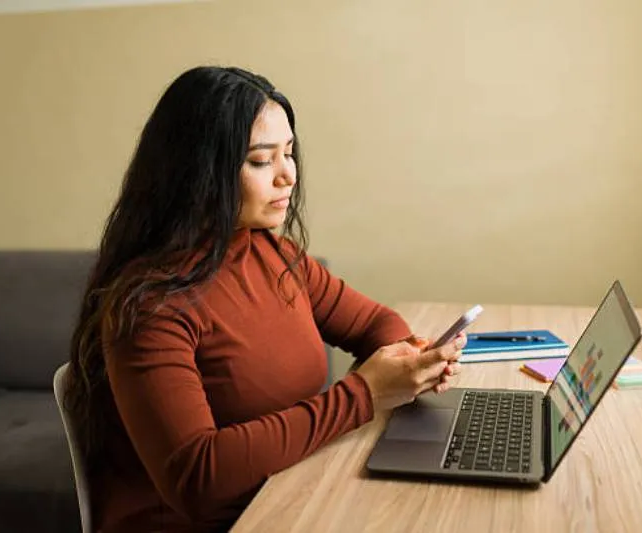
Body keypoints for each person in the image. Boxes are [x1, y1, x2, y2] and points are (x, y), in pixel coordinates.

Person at [65, 65, 465, 533]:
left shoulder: (273, 254)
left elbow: (376, 322)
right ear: (197, 172)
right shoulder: (151, 305)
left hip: (287, 492)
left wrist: (408, 359)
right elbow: (198, 476)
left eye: (289, 154)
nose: (288, 177)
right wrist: (365, 394)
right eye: (261, 160)